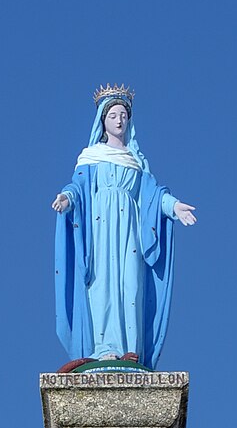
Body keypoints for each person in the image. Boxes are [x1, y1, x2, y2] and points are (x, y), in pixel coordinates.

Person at [53, 86, 196, 369]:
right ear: (103, 121)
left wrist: (174, 207)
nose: (119, 121)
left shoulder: (135, 162)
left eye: (123, 116)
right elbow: (78, 187)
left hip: (129, 230)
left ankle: (130, 347)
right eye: (113, 115)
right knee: (101, 283)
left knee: (130, 283)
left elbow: (152, 196)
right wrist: (67, 198)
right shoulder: (91, 156)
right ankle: (102, 347)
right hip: (100, 230)